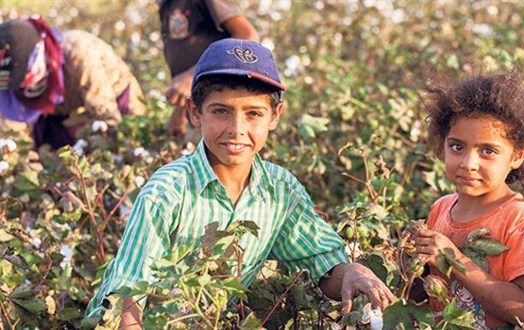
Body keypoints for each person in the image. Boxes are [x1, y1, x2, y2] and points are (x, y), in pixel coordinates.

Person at [85, 38, 394, 328]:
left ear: (275, 116)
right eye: (221, 111)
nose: (237, 129)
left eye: (253, 114)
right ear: (195, 112)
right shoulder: (166, 192)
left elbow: (321, 266)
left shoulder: (280, 191)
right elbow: (127, 295)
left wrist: (353, 271)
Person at [411, 72, 524, 328]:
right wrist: (408, 263)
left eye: (488, 151)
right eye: (457, 147)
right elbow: (429, 294)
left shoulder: (520, 217)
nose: (469, 164)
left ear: (518, 156)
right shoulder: (441, 208)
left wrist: (452, 259)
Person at [0, 16, 146, 149]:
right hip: (62, 113)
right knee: (50, 158)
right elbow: (12, 132)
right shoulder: (8, 81)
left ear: (39, 52)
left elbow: (106, 114)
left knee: (131, 141)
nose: (24, 85)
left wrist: (115, 153)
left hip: (115, 98)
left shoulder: (79, 54)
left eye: (25, 76)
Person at [158, 0, 259, 136]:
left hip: (224, 104)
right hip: (202, 106)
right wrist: (180, 111)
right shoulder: (168, 5)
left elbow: (247, 37)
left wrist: (192, 76)